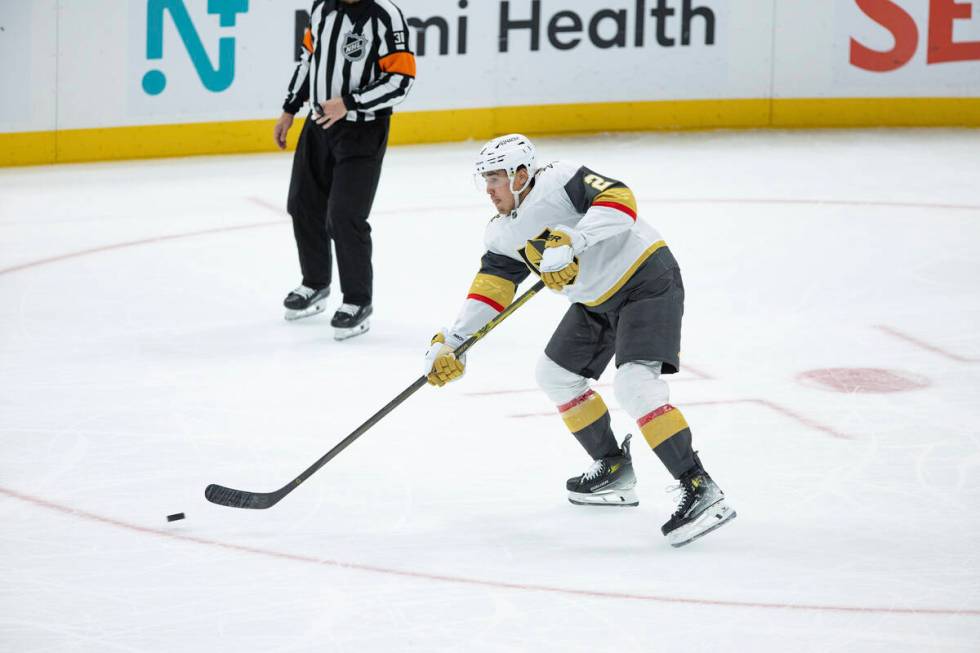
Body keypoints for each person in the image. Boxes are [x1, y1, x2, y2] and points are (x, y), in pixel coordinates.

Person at [422, 134, 736, 547]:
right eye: (485, 180)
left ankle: (699, 486)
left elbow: (621, 201)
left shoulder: (561, 180)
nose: (490, 189)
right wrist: (454, 340)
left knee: (635, 385)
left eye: (496, 178)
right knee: (555, 375)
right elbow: (493, 288)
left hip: (646, 279)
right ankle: (613, 467)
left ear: (521, 175)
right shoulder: (502, 233)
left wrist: (574, 240)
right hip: (595, 301)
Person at [274, 0, 415, 340]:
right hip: (319, 125)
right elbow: (309, 59)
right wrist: (290, 108)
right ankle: (315, 283)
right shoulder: (322, 8)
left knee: (345, 216)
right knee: (303, 205)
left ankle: (357, 300)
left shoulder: (385, 15)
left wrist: (350, 103)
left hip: (363, 132)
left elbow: (401, 80)